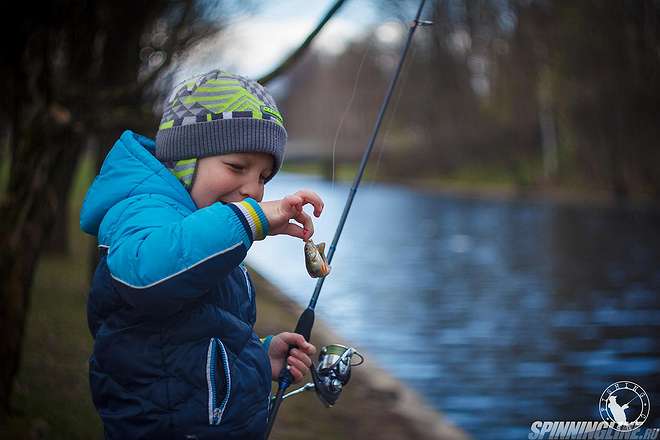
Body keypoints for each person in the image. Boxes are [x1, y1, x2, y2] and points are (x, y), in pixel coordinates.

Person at [80, 69, 322, 439]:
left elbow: (194, 333)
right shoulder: (144, 209)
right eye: (237, 167)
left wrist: (258, 355)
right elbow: (144, 273)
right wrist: (247, 220)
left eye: (263, 178)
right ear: (184, 160)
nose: (252, 190)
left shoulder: (200, 230)